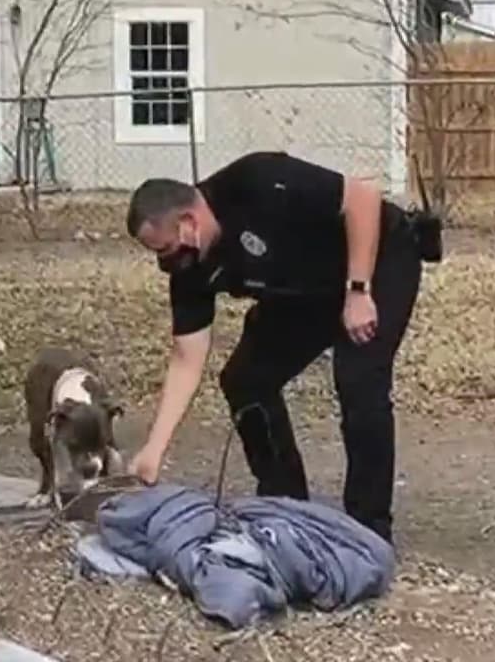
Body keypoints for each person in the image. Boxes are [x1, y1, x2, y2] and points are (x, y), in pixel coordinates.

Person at [124, 150, 424, 543]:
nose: (164, 262)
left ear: (188, 222)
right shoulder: (191, 270)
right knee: (245, 380)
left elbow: (362, 198)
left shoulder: (259, 180)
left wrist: (358, 291)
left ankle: (368, 530)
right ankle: (286, 504)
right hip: (305, 292)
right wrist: (154, 450)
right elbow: (186, 359)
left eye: (163, 250)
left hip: (375, 259)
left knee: (359, 379)